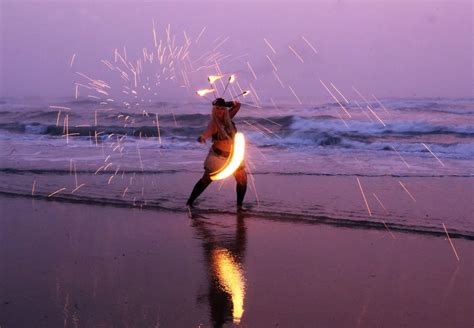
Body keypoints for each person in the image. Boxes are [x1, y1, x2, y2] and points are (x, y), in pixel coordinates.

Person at [186, 98, 247, 208]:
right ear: (214, 110)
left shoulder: (228, 118)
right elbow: (207, 132)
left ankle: (239, 207)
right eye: (217, 108)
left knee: (242, 180)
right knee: (206, 180)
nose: (219, 111)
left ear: (225, 109)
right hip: (217, 157)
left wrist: (226, 104)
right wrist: (202, 137)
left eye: (222, 108)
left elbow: (238, 105)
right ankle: (190, 202)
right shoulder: (214, 124)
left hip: (233, 157)